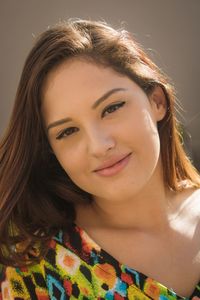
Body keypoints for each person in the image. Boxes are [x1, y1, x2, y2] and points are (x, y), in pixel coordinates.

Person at [0, 19, 200, 300]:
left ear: (157, 102)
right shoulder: (31, 261)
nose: (98, 146)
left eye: (112, 108)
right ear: (51, 151)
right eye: (67, 131)